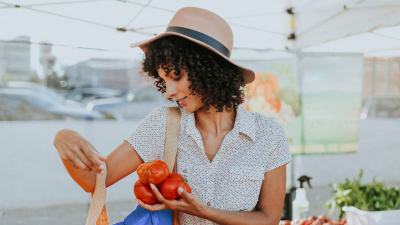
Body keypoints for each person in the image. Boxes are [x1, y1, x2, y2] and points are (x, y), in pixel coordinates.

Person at [54, 7, 291, 225]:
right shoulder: (163, 124)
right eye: (163, 80)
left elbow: (269, 219)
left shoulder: (268, 134)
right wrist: (63, 137)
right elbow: (93, 181)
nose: (168, 92)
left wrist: (203, 211)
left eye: (176, 76)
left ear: (209, 70)